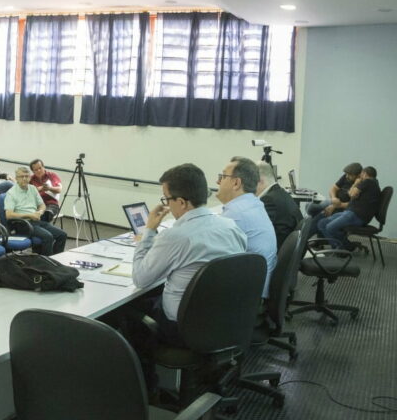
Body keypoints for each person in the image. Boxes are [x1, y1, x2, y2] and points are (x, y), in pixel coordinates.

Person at [125, 163, 247, 390]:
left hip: (185, 330)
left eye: (166, 199)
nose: (166, 205)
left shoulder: (176, 236)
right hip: (228, 320)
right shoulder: (232, 227)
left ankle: (147, 392)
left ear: (181, 202)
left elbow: (140, 278)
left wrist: (149, 231)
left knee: (125, 316)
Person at [214, 157, 277, 298]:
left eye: (223, 176)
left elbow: (208, 259)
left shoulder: (236, 214)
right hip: (256, 287)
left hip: (246, 297)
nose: (217, 181)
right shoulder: (253, 204)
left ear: (236, 183)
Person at [5, 167, 69, 255]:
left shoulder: (33, 189)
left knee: (62, 235)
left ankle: (54, 260)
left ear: (30, 178)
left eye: (27, 176)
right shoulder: (11, 193)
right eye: (21, 176)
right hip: (22, 224)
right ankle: (46, 265)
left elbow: (42, 205)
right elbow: (9, 215)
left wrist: (40, 212)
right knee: (48, 237)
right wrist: (29, 215)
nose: (24, 179)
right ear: (16, 178)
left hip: (36, 220)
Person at [318, 166, 382, 249]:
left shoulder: (368, 182)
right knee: (322, 223)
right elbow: (353, 195)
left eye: (361, 174)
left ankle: (344, 247)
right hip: (351, 213)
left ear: (365, 174)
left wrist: (356, 183)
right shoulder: (373, 185)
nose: (360, 176)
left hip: (356, 215)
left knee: (330, 227)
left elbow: (351, 194)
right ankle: (342, 246)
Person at [256, 162, 303, 248]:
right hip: (289, 249)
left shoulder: (269, 200)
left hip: (278, 253)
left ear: (259, 180)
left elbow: (258, 232)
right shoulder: (279, 192)